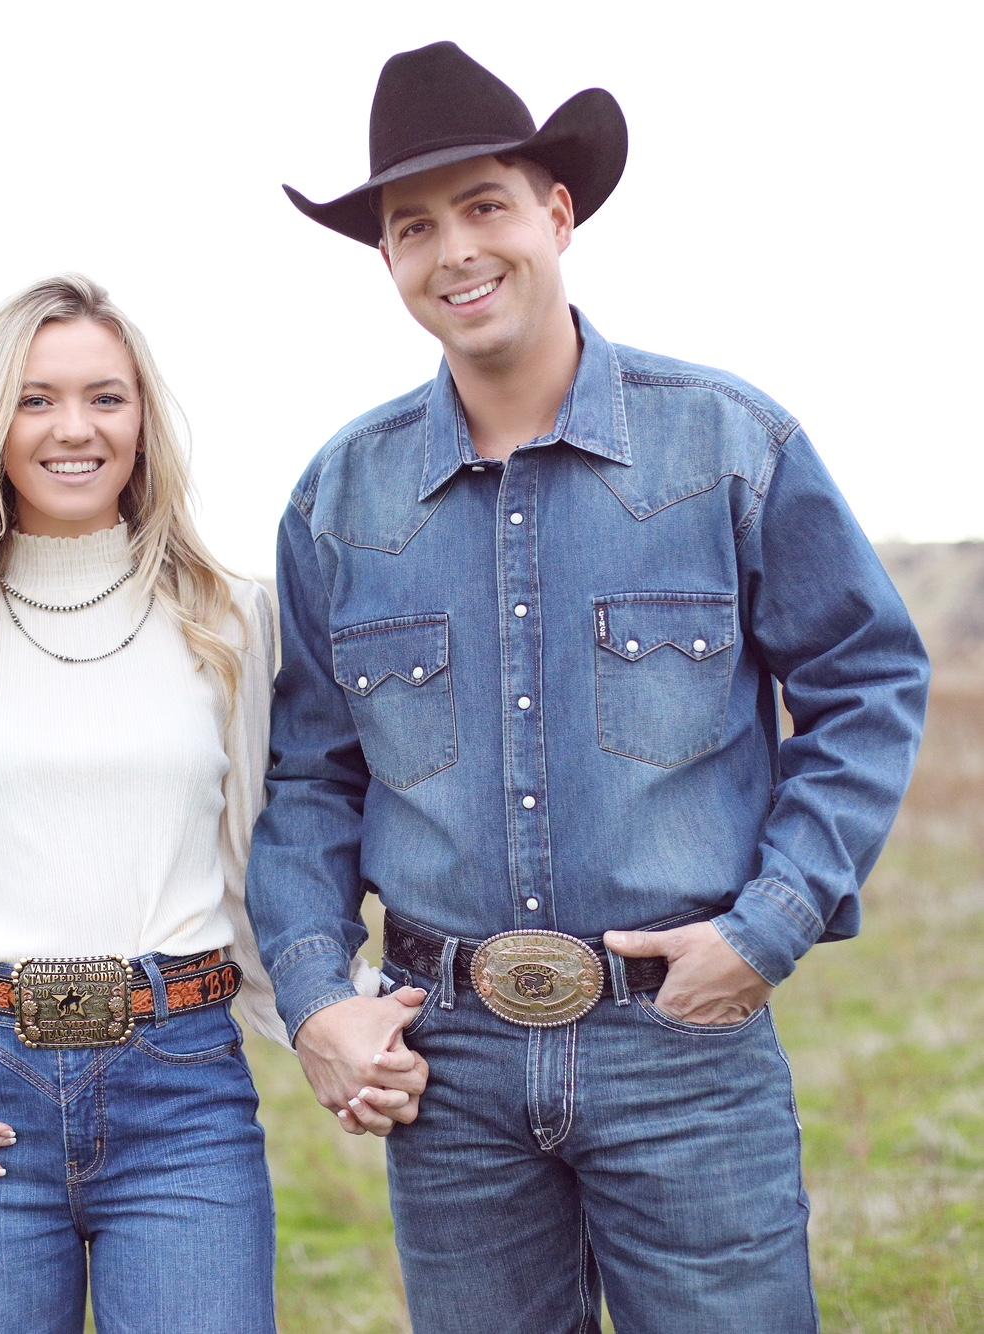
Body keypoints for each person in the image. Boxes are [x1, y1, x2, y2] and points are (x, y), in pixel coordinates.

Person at [246, 41, 930, 1332]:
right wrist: (318, 995)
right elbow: (309, 778)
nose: (455, 250)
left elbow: (865, 683)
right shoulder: (340, 498)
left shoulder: (726, 444)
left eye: (483, 205)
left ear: (556, 213)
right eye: (412, 226)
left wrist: (768, 923)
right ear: (386, 260)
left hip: (680, 1044)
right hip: (448, 1067)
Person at [0, 274, 422, 1332]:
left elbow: (250, 863)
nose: (75, 428)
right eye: (35, 398)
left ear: (143, 419)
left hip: (179, 1091)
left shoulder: (225, 615)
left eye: (106, 396)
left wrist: (332, 1014)